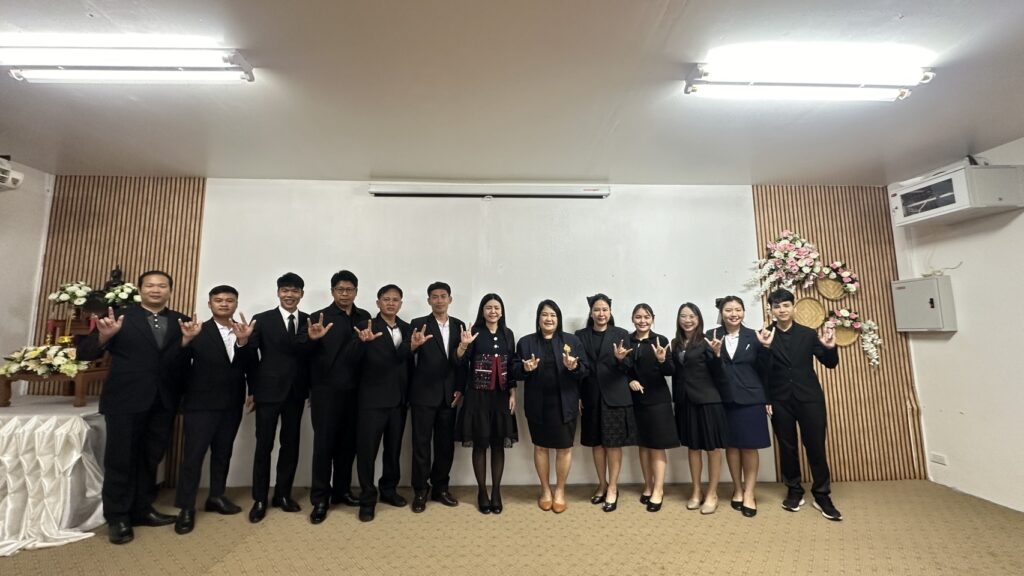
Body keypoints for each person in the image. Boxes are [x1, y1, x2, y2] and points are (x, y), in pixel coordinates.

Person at [77, 270, 193, 545]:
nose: (156, 290)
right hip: (125, 400)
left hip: (163, 401)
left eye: (162, 285)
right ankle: (117, 516)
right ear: (140, 290)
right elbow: (84, 354)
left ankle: (142, 509)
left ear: (170, 290)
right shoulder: (118, 317)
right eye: (150, 285)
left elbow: (180, 363)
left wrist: (186, 343)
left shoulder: (181, 321)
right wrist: (103, 337)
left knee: (151, 457)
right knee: (120, 459)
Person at [174, 285, 257, 534]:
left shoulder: (243, 330)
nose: (224, 304)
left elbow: (250, 364)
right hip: (200, 404)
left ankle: (216, 496)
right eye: (218, 300)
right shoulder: (197, 330)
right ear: (209, 304)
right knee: (193, 456)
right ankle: (186, 507)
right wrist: (185, 340)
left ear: (236, 304)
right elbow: (177, 364)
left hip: (231, 402)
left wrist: (243, 342)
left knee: (223, 452)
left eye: (229, 300)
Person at [298, 270, 371, 524]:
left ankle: (342, 490)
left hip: (355, 392)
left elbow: (366, 356)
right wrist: (311, 339)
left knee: (348, 445)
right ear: (332, 291)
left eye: (349, 290)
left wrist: (366, 343)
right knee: (324, 446)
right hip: (325, 392)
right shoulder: (319, 317)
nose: (345, 294)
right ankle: (320, 498)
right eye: (340, 289)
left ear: (356, 292)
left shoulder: (364, 318)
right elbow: (302, 353)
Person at [764, 288, 842, 521]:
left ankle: (822, 494)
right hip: (779, 399)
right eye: (777, 306)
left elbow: (830, 364)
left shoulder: (808, 334)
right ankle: (794, 490)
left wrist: (830, 347)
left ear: (793, 307)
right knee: (787, 447)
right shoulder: (765, 335)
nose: (782, 310)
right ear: (771, 310)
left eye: (786, 305)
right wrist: (766, 399)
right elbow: (761, 370)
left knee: (815, 445)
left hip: (810, 398)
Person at [246, 272, 310, 523]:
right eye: (285, 290)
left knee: (290, 445)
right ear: (278, 293)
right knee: (264, 446)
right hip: (268, 392)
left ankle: (283, 494)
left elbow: (313, 357)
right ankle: (260, 499)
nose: (289, 295)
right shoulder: (262, 320)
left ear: (301, 294)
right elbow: (251, 358)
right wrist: (252, 389)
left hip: (296, 392)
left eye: (294, 291)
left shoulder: (309, 321)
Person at [515, 300, 588, 514]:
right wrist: (525, 368)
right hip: (537, 403)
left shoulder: (571, 340)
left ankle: (560, 491)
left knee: (564, 448)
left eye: (553, 315)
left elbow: (585, 370)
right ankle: (545, 490)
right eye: (545, 315)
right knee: (540, 447)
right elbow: (514, 370)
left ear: (559, 319)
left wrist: (574, 366)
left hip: (565, 403)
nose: (549, 319)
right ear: (538, 318)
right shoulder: (526, 342)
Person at [352, 284, 412, 522]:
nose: (391, 303)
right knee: (367, 452)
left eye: (395, 299)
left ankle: (389, 490)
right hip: (372, 401)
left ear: (401, 304)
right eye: (386, 299)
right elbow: (351, 360)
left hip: (398, 401)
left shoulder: (408, 328)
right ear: (378, 303)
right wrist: (362, 343)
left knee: (393, 450)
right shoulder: (365, 327)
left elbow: (408, 364)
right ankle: (367, 499)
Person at [454, 293, 518, 514]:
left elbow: (511, 365)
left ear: (502, 311)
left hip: (501, 396)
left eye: (496, 307)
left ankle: (496, 491)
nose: (493, 311)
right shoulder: (474, 332)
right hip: (477, 396)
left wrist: (512, 393)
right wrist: (463, 345)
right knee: (480, 444)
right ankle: (482, 491)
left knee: (498, 444)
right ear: (482, 311)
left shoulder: (508, 334)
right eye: (488, 307)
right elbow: (459, 361)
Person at [710, 295, 773, 518]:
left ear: (744, 312)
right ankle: (737, 488)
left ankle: (749, 493)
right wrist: (715, 356)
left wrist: (766, 347)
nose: (733, 314)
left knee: (749, 447)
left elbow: (765, 369)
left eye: (738, 309)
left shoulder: (755, 336)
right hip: (723, 399)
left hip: (751, 398)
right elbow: (708, 370)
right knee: (731, 446)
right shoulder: (711, 335)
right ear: (722, 313)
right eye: (728, 310)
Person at [575, 293, 635, 513]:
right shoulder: (580, 335)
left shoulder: (621, 334)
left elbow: (628, 366)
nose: (601, 313)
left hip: (614, 396)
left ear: (610, 312)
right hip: (591, 396)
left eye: (605, 310)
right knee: (597, 444)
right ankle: (602, 484)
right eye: (597, 310)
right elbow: (579, 368)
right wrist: (579, 395)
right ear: (591, 313)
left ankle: (613, 487)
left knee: (613, 444)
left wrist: (621, 359)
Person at [407, 282, 463, 512]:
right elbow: (408, 358)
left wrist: (460, 388)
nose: (439, 300)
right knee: (421, 445)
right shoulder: (418, 324)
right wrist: (413, 346)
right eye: (434, 296)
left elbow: (463, 362)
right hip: (423, 394)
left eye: (443, 296)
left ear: (450, 299)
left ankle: (441, 487)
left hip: (449, 396)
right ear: (428, 300)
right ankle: (421, 490)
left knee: (445, 445)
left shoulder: (459, 325)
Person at [618, 303, 678, 512]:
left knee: (657, 446)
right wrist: (630, 380)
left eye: (646, 317)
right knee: (642, 445)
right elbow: (623, 370)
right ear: (632, 319)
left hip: (658, 400)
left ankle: (658, 490)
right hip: (636, 401)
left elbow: (670, 370)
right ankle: (648, 486)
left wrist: (662, 360)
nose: (642, 321)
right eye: (638, 317)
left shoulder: (661, 340)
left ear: (653, 318)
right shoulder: (626, 341)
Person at [671, 302, 729, 515]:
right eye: (683, 316)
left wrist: (717, 355)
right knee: (693, 448)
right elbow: (675, 373)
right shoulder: (675, 343)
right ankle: (696, 491)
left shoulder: (707, 341)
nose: (687, 320)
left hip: (708, 401)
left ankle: (712, 493)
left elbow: (720, 374)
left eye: (692, 316)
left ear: (699, 319)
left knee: (712, 449)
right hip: (685, 401)